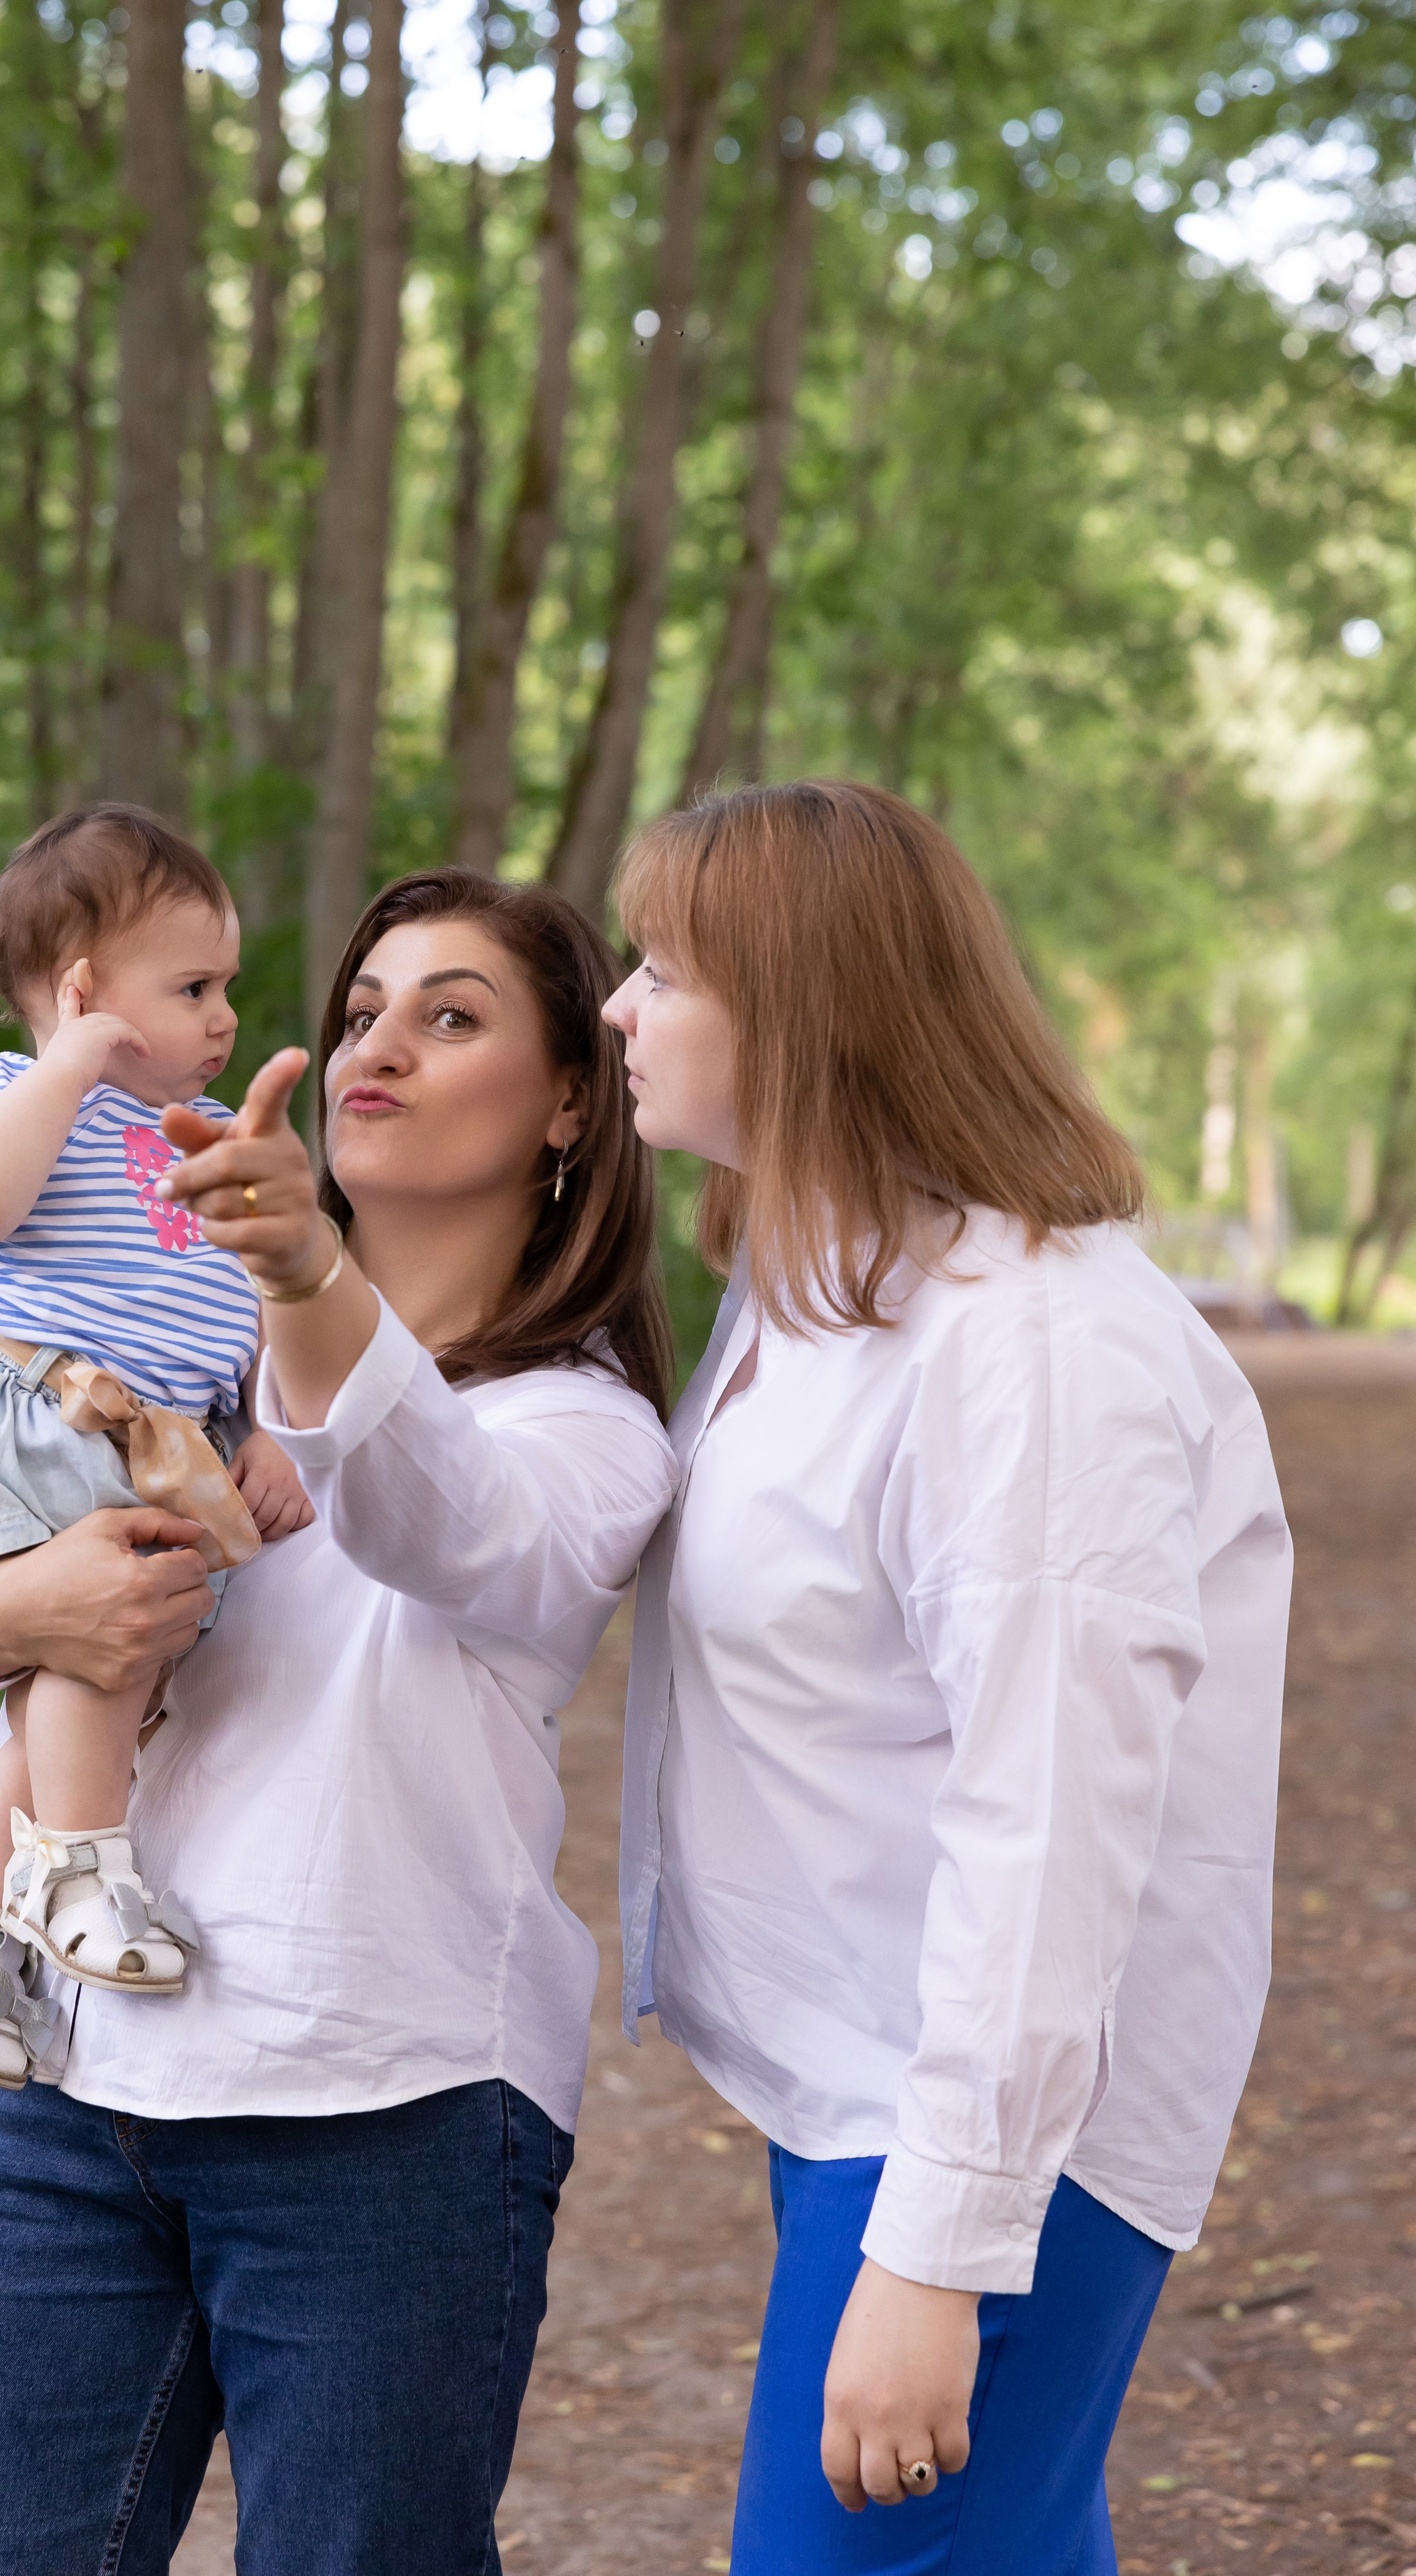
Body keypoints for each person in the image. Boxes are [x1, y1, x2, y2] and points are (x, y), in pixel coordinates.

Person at [0, 867, 677, 2576]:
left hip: (388, 2118)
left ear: (567, 1107)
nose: (377, 1042)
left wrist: (308, 1270)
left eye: (450, 1017)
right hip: (70, 2089)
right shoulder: (181, 1358)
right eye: (366, 1004)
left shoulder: (580, 1429)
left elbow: (428, 1517)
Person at [604, 781, 1291, 2575]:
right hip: (873, 2085)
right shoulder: (820, 1280)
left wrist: (938, 2248)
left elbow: (1048, 1815)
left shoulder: (1031, 1343)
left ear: (808, 1007)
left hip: (996, 2127)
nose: (617, 1006)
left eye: (665, 968)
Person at [0, 805, 311, 2088]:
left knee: (95, 1662)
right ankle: (81, 1872)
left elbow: (266, 1300)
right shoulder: (21, 1095)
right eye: (194, 986)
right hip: (28, 1410)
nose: (225, 1015)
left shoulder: (208, 1131)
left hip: (162, 1437)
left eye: (227, 983)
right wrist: (68, 1066)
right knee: (107, 1639)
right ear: (83, 991)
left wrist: (268, 1426)